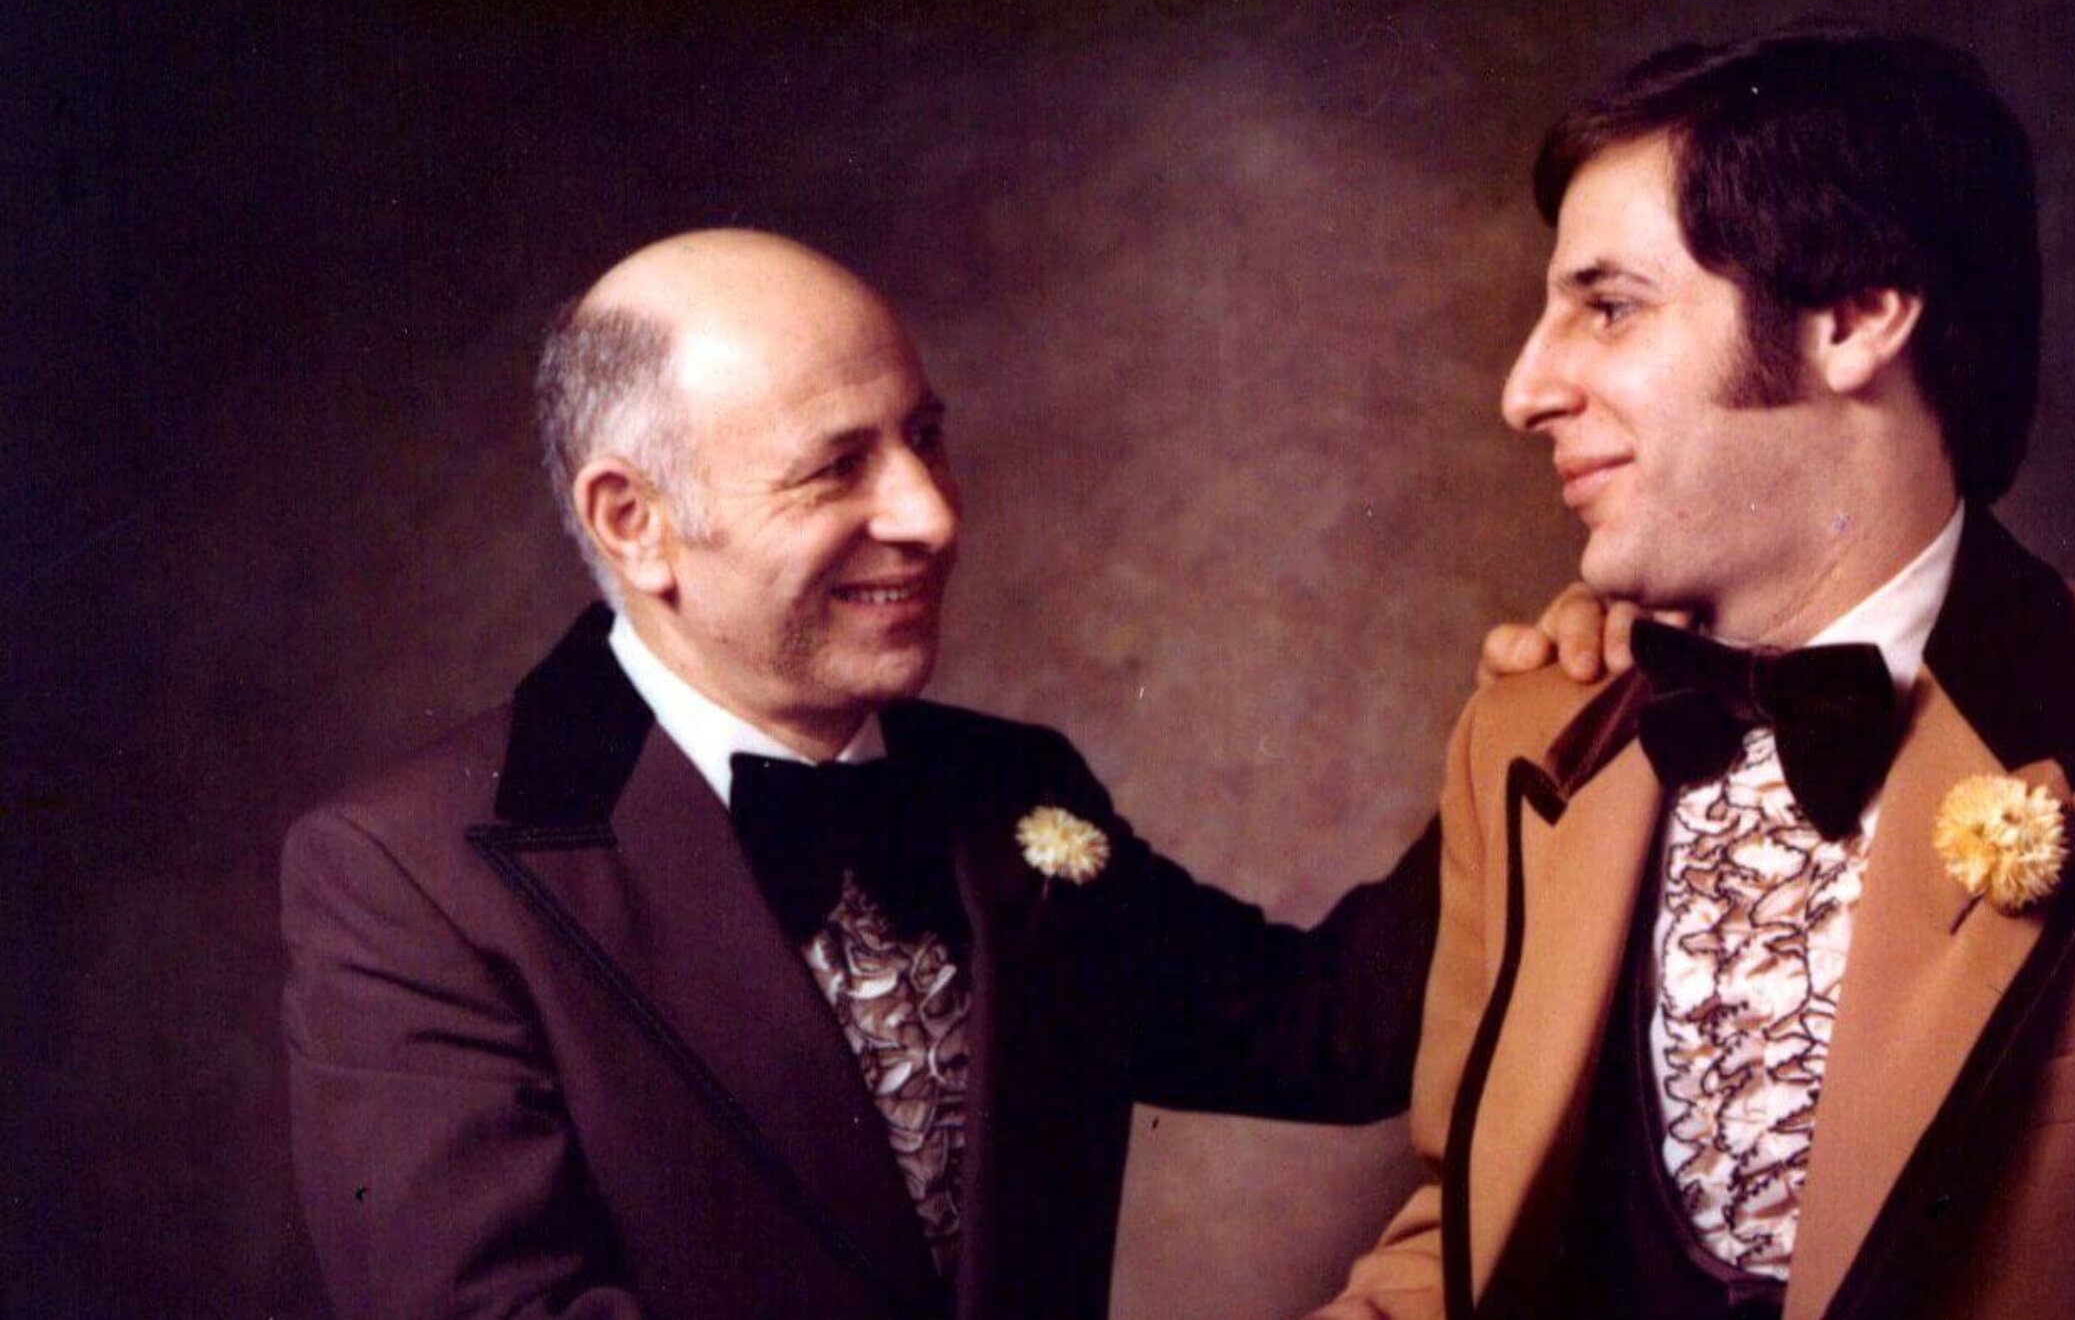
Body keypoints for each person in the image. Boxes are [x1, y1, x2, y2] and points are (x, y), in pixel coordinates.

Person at [1321, 28, 2075, 1320]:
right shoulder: (1533, 733)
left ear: (1856, 313)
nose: (1523, 389)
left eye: (1608, 305)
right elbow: (1458, 1247)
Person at [282, 230, 1471, 1319]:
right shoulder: (410, 871)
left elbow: (1332, 1034)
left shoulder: (1008, 784)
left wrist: (1548, 724)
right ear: (632, 521)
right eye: (836, 467)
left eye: (925, 437)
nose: (931, 513)